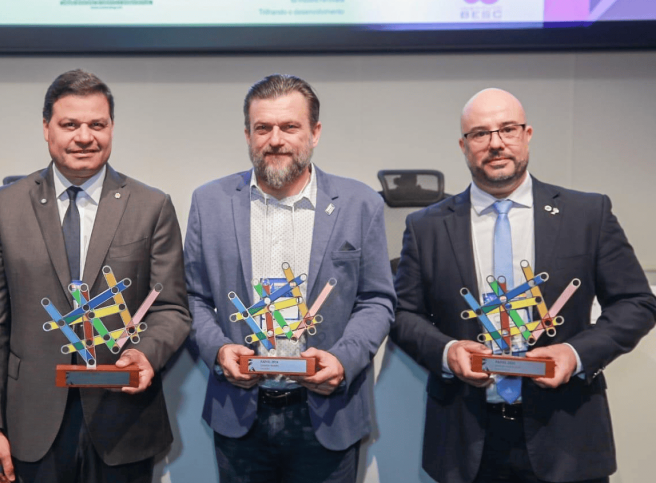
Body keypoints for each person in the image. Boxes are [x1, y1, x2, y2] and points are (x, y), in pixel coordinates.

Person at [390, 88, 656, 483]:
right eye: (480, 134)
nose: (495, 143)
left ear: (527, 134)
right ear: (464, 146)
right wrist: (447, 352)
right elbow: (401, 314)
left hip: (567, 436)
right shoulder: (426, 227)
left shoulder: (587, 213)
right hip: (465, 442)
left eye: (507, 129)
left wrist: (573, 353)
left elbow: (637, 303)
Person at [0, 69, 190, 483]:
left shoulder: (152, 206)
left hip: (122, 420)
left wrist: (147, 355)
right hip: (31, 423)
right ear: (47, 129)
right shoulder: (2, 209)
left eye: (97, 125)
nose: (84, 136)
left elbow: (172, 309)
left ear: (112, 128)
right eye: (70, 124)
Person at [186, 74, 396, 482]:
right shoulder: (208, 203)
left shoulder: (360, 204)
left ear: (315, 132)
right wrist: (218, 351)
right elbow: (192, 297)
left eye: (290, 127)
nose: (275, 139)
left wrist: (343, 359)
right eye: (263, 128)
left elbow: (377, 300)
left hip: (327, 412)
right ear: (248, 134)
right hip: (240, 413)